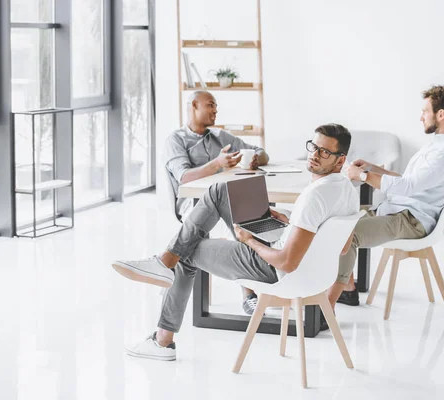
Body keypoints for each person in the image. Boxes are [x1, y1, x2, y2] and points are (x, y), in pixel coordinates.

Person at [112, 123, 359, 361]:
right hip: (311, 270)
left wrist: (249, 240)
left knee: (188, 249)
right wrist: (292, 222)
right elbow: (344, 246)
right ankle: (165, 263)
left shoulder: (315, 196)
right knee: (220, 191)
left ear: (340, 160)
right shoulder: (347, 189)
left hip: (274, 268)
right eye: (313, 147)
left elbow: (287, 262)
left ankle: (163, 339)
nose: (315, 155)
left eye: (324, 152)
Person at [326, 85, 444, 328]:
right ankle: (348, 287)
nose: (420, 116)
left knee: (348, 235)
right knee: (335, 224)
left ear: (441, 115)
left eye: (425, 111)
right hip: (399, 210)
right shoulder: (438, 144)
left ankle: (326, 310)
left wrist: (361, 177)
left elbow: (408, 187)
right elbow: (407, 181)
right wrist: (373, 168)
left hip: (412, 220)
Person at [163, 90, 269, 315]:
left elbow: (260, 151)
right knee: (233, 217)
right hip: (194, 204)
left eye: (216, 106)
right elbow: (183, 177)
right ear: (194, 105)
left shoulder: (221, 137)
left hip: (226, 199)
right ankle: (251, 291)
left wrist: (256, 158)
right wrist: (218, 163)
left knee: (246, 217)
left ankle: (250, 291)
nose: (215, 111)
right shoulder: (176, 140)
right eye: (210, 105)